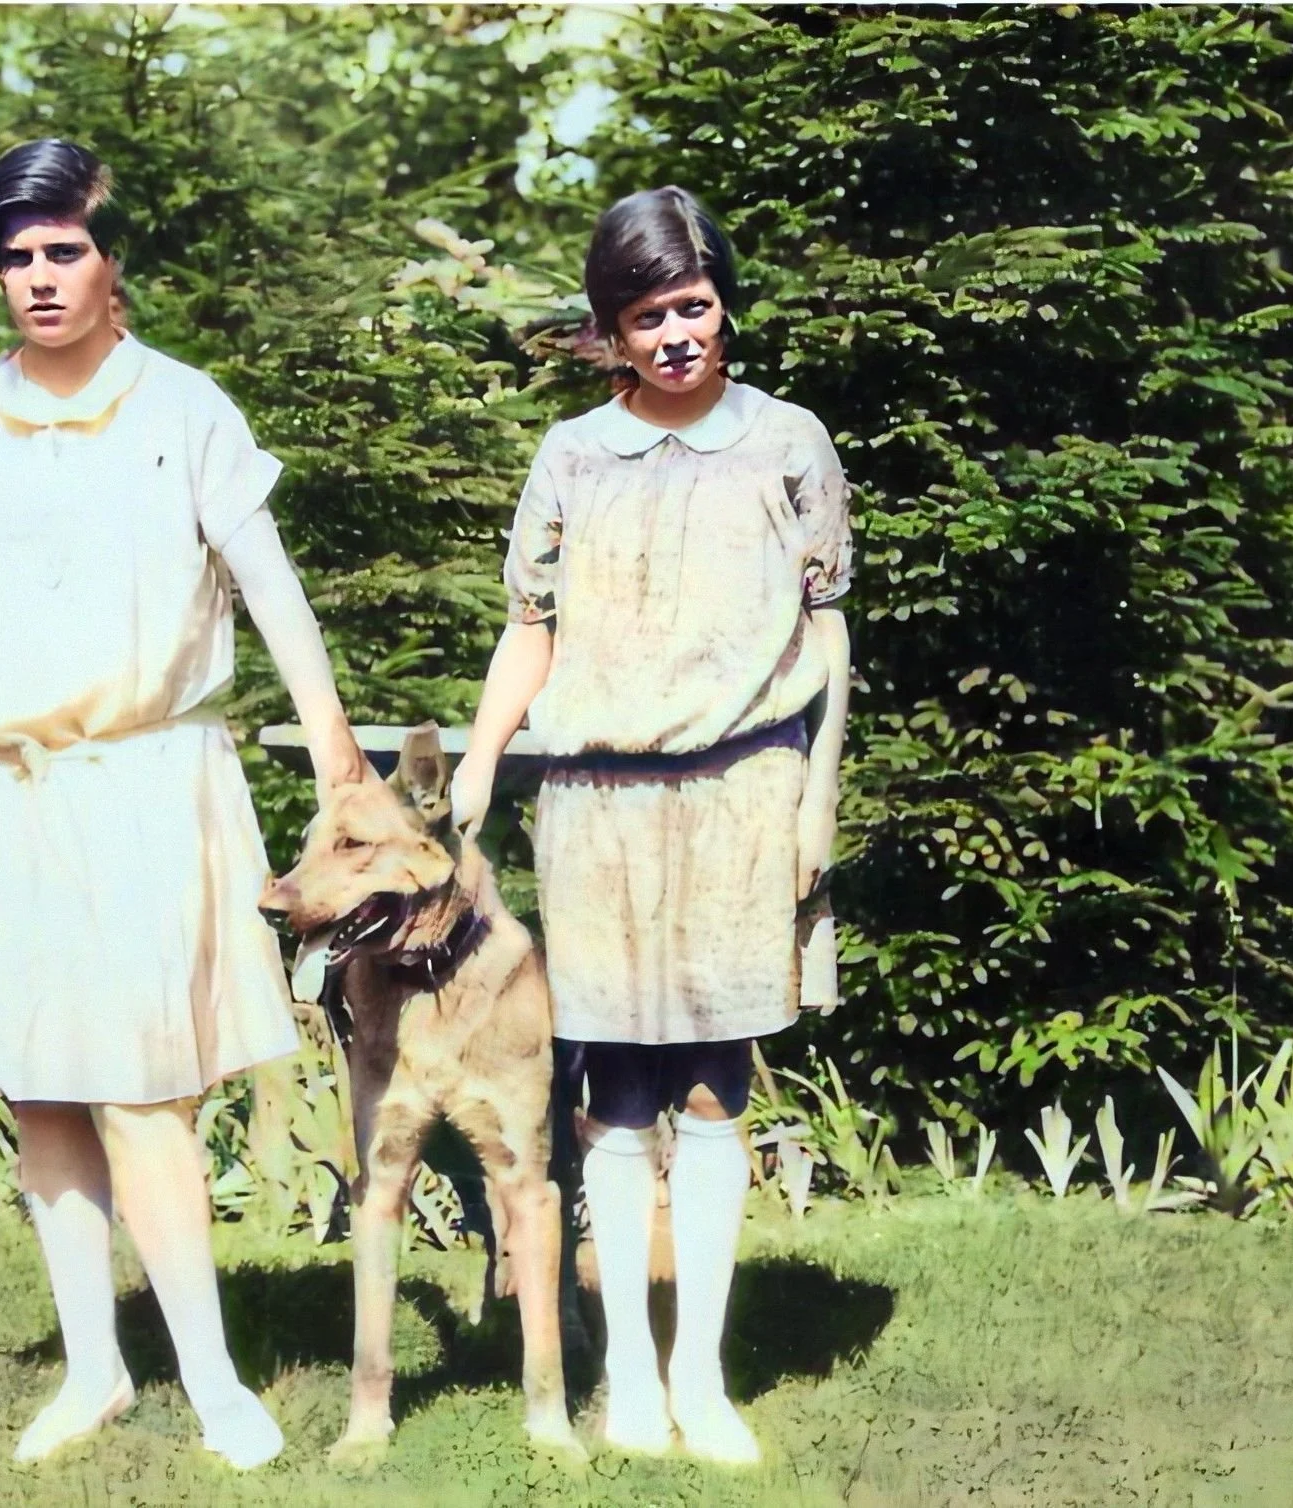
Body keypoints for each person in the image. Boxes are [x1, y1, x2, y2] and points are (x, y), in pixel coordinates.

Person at [0, 138, 367, 1470]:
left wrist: (334, 755)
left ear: (111, 263)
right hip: (6, 793)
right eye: (15, 257)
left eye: (64, 252)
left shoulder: (181, 410)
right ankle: (93, 1371)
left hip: (153, 779)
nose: (38, 280)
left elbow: (270, 591)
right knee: (40, 1091)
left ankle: (211, 1381)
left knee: (149, 1096)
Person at [450, 186, 853, 1465]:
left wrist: (817, 796)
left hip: (741, 795)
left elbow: (825, 627)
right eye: (644, 317)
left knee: (711, 1086)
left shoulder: (788, 442)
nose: (675, 335)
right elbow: (532, 625)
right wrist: (477, 763)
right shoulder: (571, 454)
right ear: (610, 329)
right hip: (598, 809)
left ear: (722, 301)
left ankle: (701, 1376)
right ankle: (625, 1366)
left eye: (691, 306)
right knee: (614, 1094)